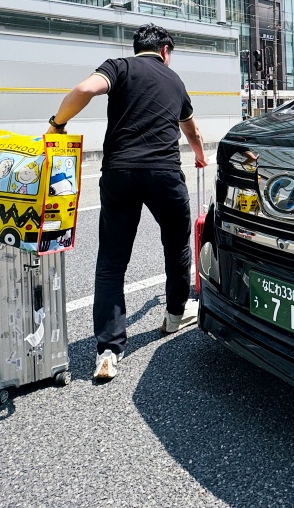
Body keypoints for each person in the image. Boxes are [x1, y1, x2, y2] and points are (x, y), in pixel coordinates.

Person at [47, 24, 207, 380]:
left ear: (138, 48)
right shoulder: (174, 80)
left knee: (112, 261)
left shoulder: (118, 67)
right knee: (176, 245)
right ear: (165, 50)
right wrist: (198, 156)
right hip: (164, 173)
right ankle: (175, 315)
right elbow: (192, 130)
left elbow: (85, 89)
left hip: (119, 173)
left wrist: (57, 124)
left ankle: (108, 349)